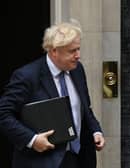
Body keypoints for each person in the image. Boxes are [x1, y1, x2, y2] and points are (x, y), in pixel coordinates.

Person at [0, 20, 105, 168]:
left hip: (79, 159)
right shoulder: (27, 76)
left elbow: (85, 108)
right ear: (54, 51)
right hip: (42, 161)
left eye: (78, 49)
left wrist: (96, 131)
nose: (78, 55)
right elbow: (3, 114)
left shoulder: (77, 70)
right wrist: (32, 140)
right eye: (72, 51)